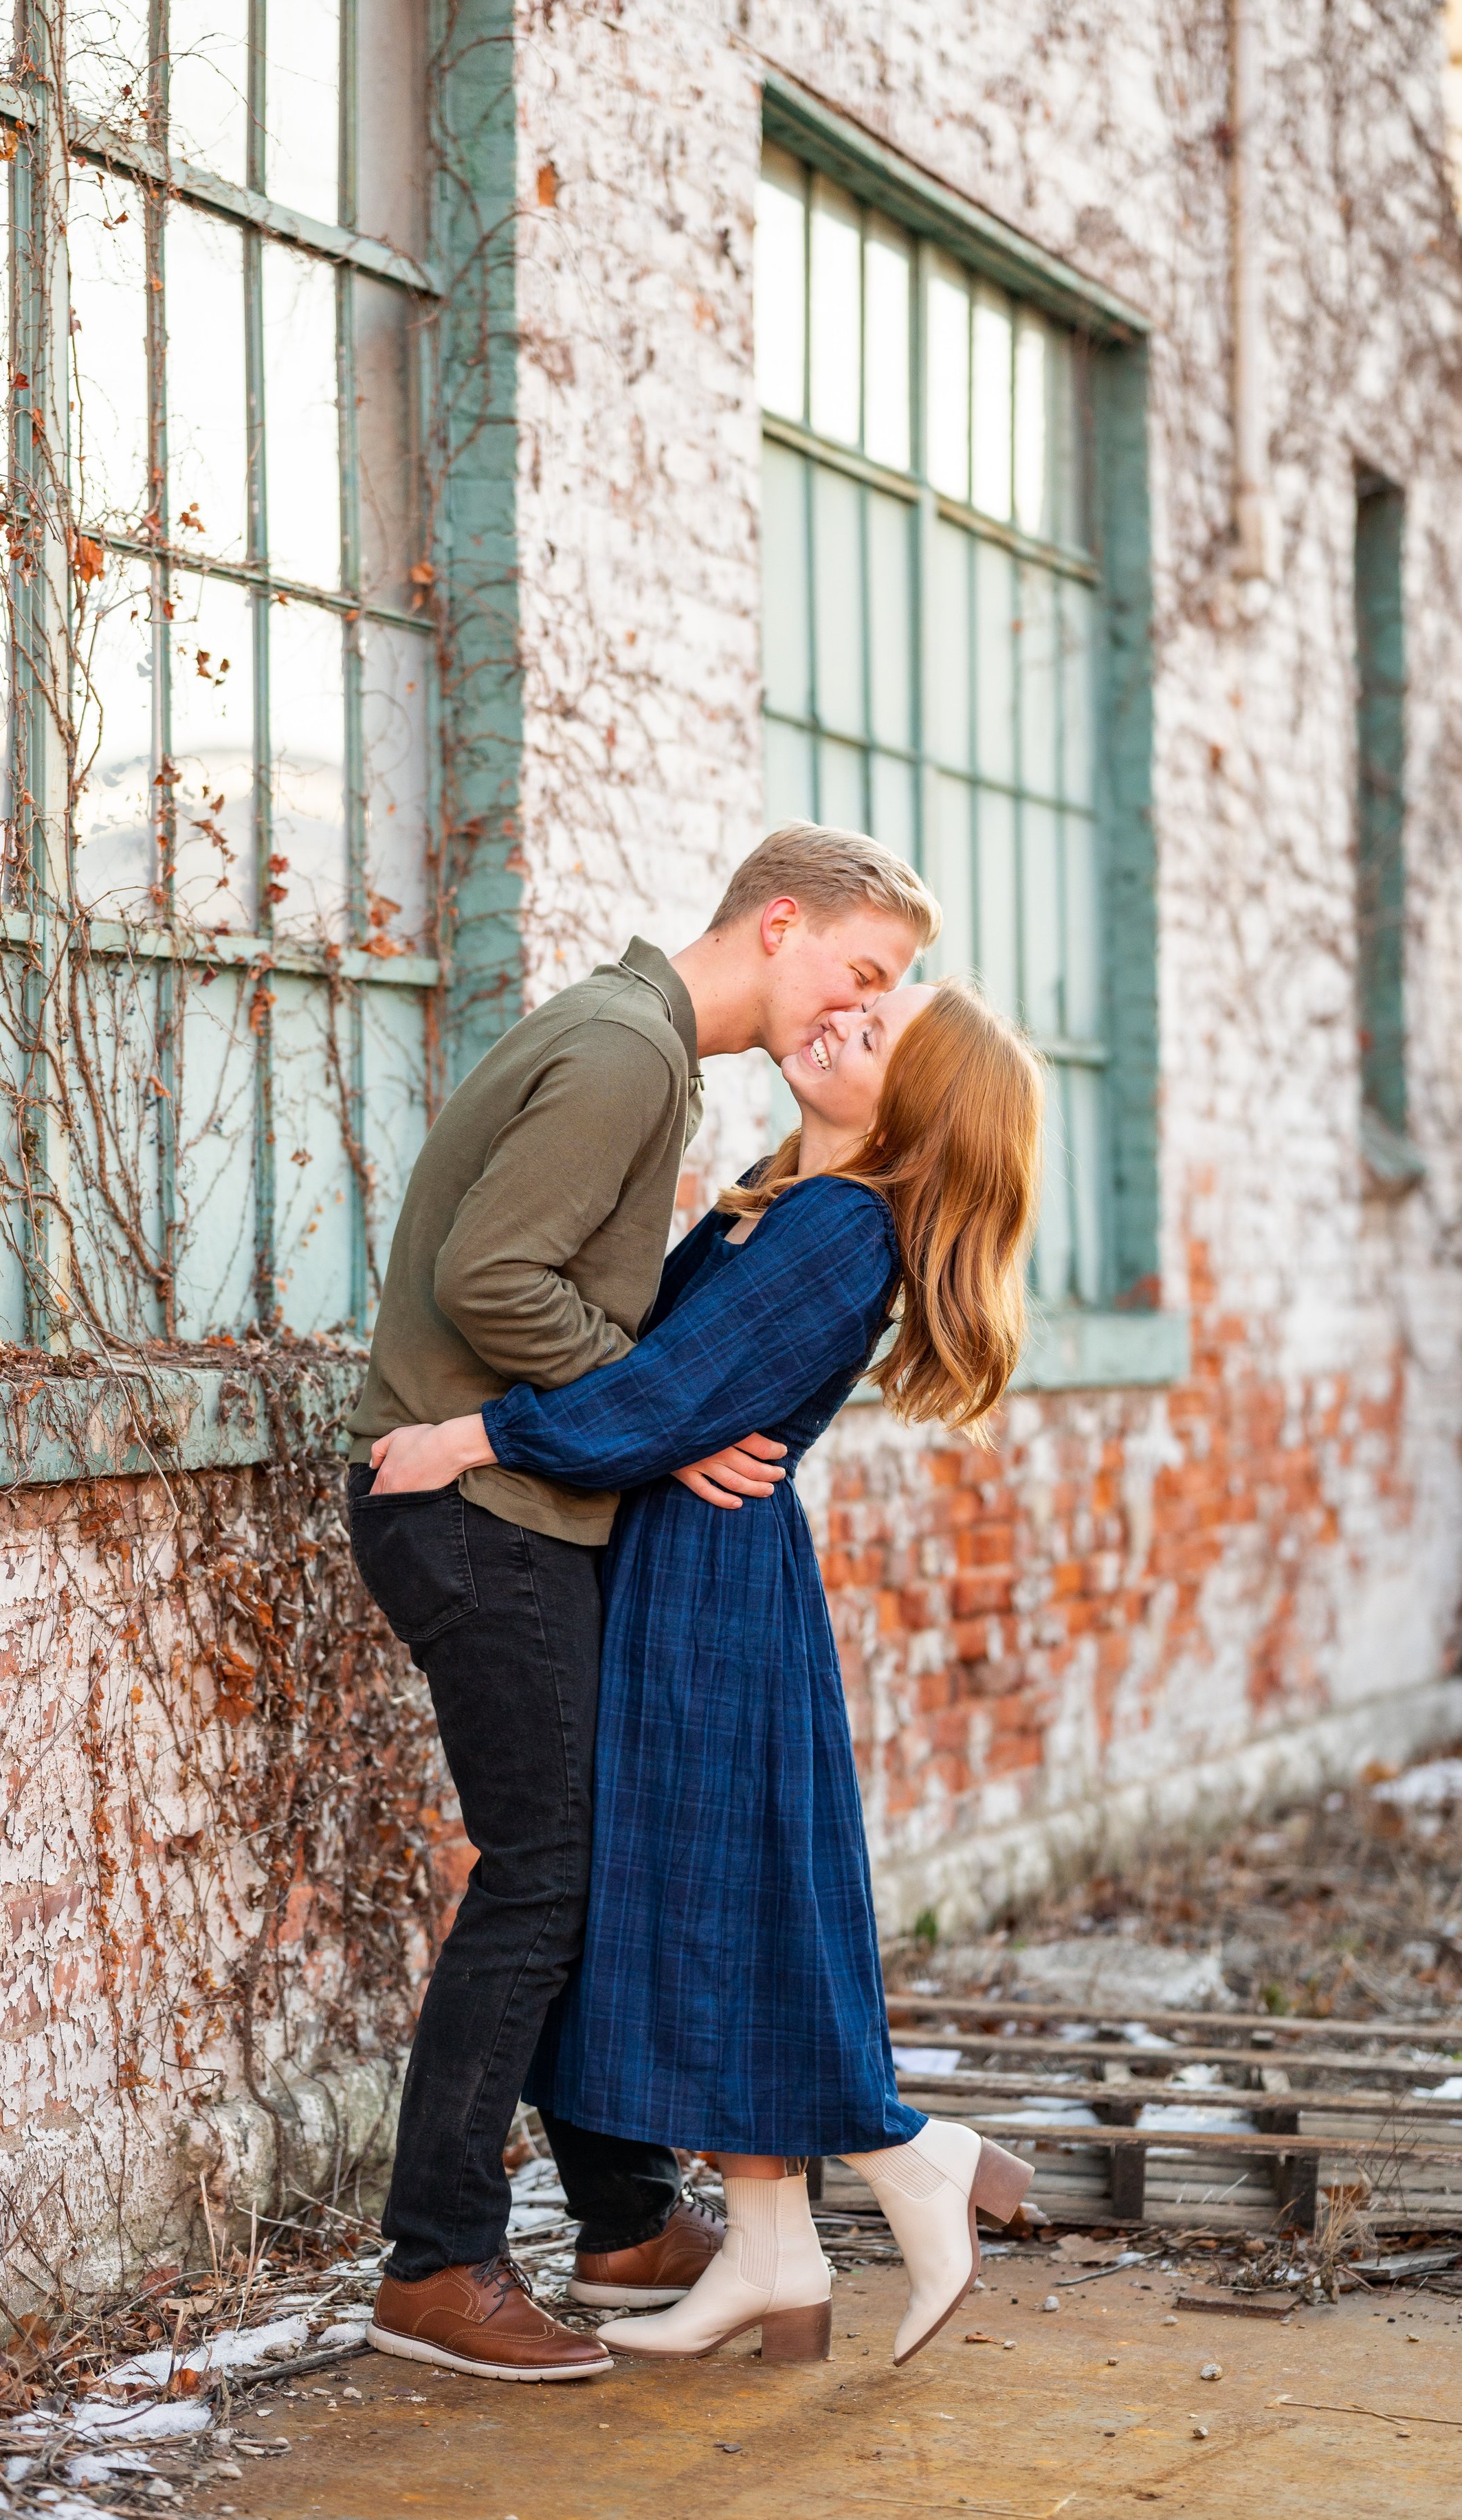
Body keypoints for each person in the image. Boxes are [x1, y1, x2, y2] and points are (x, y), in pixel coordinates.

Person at [368, 974, 1044, 2372]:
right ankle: (777, 2252)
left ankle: (910, 2154)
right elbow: (662, 1374)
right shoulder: (790, 1201)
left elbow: (657, 1396)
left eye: (887, 1033)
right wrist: (655, 1418)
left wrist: (466, 1438)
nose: (850, 1022)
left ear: (922, 1110)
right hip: (690, 1562)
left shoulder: (839, 1225)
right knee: (695, 1890)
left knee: (715, 1894)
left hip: (705, 1587)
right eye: (862, 1003)